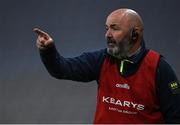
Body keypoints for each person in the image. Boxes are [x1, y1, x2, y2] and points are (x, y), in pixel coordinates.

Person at [34, 8, 180, 124]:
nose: (108, 34)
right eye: (106, 28)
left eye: (115, 28)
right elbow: (62, 70)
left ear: (135, 34)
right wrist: (48, 51)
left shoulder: (159, 68)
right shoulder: (101, 59)